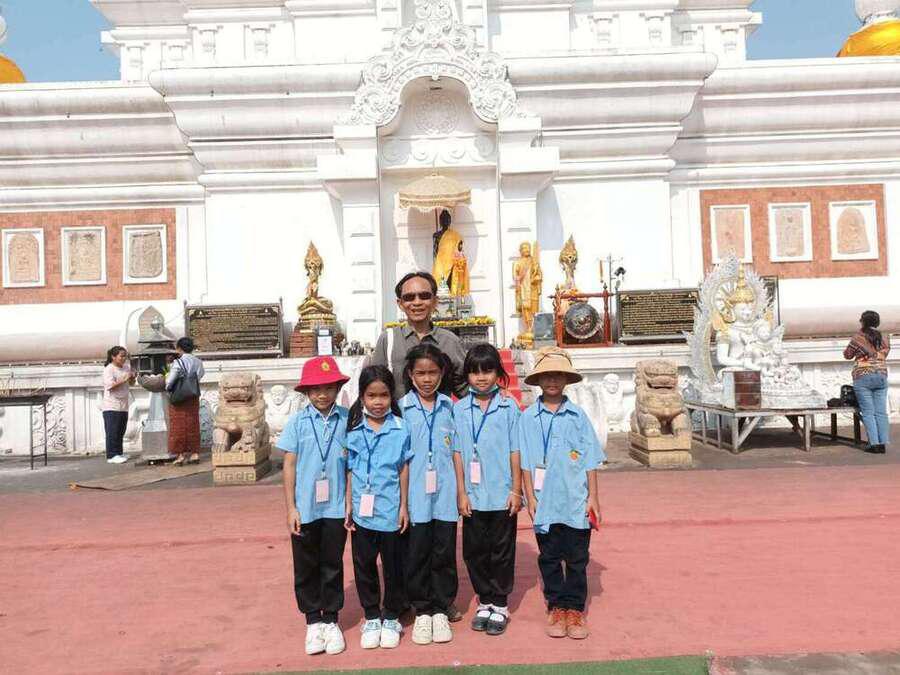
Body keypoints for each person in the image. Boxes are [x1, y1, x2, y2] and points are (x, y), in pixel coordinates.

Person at [519, 347, 603, 640]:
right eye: (547, 375)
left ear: (567, 379)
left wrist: (593, 497)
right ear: (538, 380)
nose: (552, 380)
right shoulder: (528, 417)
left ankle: (575, 608)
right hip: (544, 501)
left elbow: (590, 459)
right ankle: (556, 605)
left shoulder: (578, 416)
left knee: (578, 558)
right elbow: (525, 461)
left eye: (558, 375)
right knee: (549, 557)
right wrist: (530, 497)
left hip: (575, 500)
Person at [278, 356, 351, 657]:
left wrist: (349, 502)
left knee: (332, 563)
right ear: (306, 392)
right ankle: (312, 620)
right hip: (306, 508)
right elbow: (289, 465)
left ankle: (331, 619)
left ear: (337, 389)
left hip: (336, 506)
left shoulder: (348, 419)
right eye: (316, 389)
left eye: (329, 388)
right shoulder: (297, 422)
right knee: (306, 565)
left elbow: (352, 465)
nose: (322, 394)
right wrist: (291, 508)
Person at [452, 343, 522, 636]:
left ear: (498, 373)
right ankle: (485, 600)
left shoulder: (508, 406)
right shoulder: (459, 408)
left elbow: (516, 450)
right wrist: (461, 492)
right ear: (467, 375)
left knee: (502, 550)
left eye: (488, 371)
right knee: (475, 551)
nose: (481, 378)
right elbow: (457, 452)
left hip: (502, 492)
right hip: (473, 494)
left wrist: (516, 490)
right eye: (475, 372)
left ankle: (500, 603)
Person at [345, 365, 412, 650]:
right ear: (362, 396)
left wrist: (404, 506)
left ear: (391, 396)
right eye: (371, 396)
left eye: (384, 395)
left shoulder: (400, 428)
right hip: (362, 513)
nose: (378, 402)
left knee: (394, 566)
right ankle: (372, 615)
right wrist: (348, 503)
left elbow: (403, 468)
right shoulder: (353, 429)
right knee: (364, 565)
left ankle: (392, 615)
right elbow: (350, 469)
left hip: (390, 511)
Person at [400, 344, 459, 646]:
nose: (427, 379)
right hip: (415, 498)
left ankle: (441, 607)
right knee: (417, 553)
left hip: (445, 496)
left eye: (432, 372)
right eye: (420, 373)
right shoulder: (401, 409)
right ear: (410, 375)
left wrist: (462, 493)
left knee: (444, 552)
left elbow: (458, 452)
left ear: (442, 373)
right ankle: (422, 609)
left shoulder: (450, 407)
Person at [372, 271, 467, 399]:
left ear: (435, 301)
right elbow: (373, 384)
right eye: (409, 297)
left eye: (424, 296)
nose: (417, 302)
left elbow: (463, 387)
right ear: (400, 304)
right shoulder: (388, 340)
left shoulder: (450, 341)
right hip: (399, 412)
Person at [844, 310, 891, 454]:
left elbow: (848, 355)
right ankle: (882, 443)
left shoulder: (858, 337)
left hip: (863, 376)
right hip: (881, 375)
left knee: (868, 412)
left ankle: (874, 444)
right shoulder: (885, 337)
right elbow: (884, 353)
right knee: (881, 412)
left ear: (863, 322)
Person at [165, 337, 205, 465]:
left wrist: (167, 385)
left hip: (179, 396)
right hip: (192, 395)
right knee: (193, 423)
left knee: (178, 425)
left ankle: (180, 455)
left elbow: (170, 381)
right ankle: (194, 453)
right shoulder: (198, 362)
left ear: (179, 348)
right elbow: (200, 375)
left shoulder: (179, 362)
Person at [102, 346, 135, 464]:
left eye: (125, 356)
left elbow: (131, 383)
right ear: (113, 357)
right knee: (112, 431)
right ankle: (111, 455)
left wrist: (132, 378)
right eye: (121, 356)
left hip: (124, 404)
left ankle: (119, 453)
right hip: (111, 405)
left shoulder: (126, 367)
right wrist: (124, 379)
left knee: (121, 430)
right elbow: (110, 386)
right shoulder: (109, 369)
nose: (124, 358)